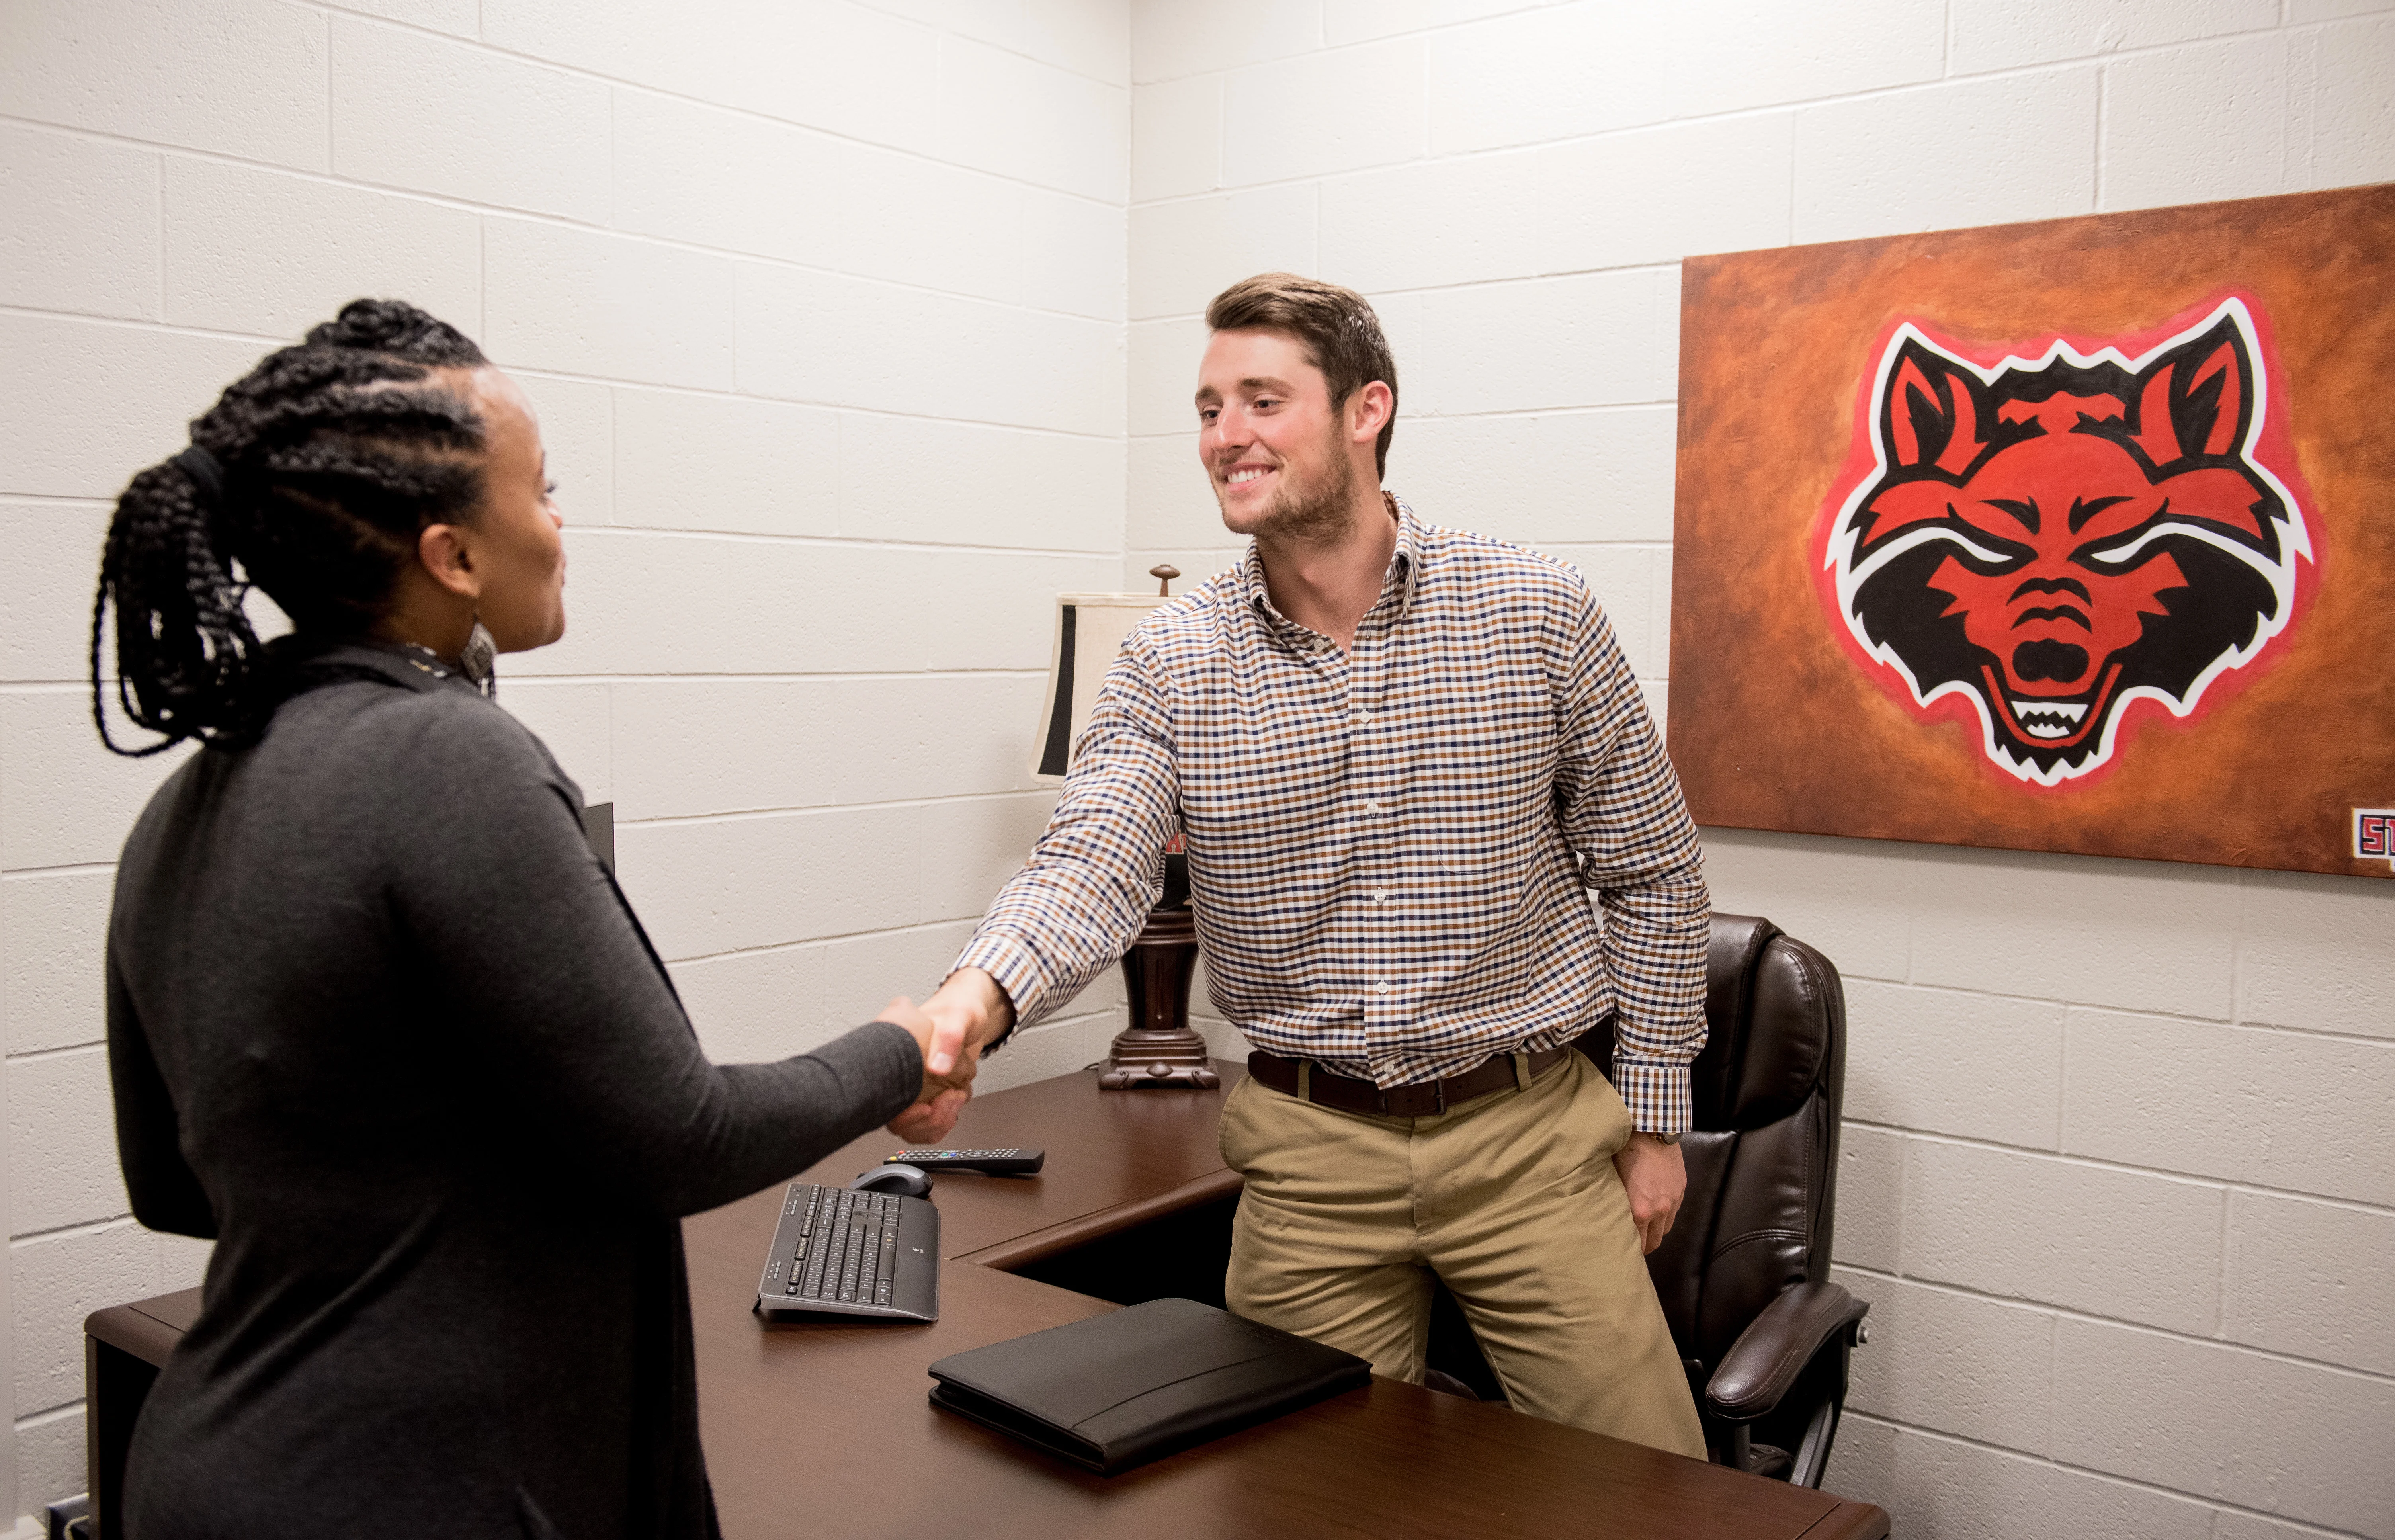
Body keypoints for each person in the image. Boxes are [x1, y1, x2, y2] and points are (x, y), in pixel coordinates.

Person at [92, 299, 993, 1540]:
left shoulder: (184, 805)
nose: (563, 526)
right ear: (452, 556)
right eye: (547, 490)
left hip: (216, 1467)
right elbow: (684, 1134)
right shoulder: (450, 757)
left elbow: (172, 1189)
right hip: (413, 1492)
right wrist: (901, 1048)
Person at [913, 273, 1711, 1457]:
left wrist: (1653, 1124)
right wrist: (972, 1001)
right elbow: (1091, 862)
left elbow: (1652, 873)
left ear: (1365, 410)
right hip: (1309, 1156)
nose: (1224, 436)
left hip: (1530, 1142)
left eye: (1261, 400)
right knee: (1298, 1500)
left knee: (1657, 1496)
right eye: (1206, 408)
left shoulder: (1536, 609)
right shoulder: (1170, 662)